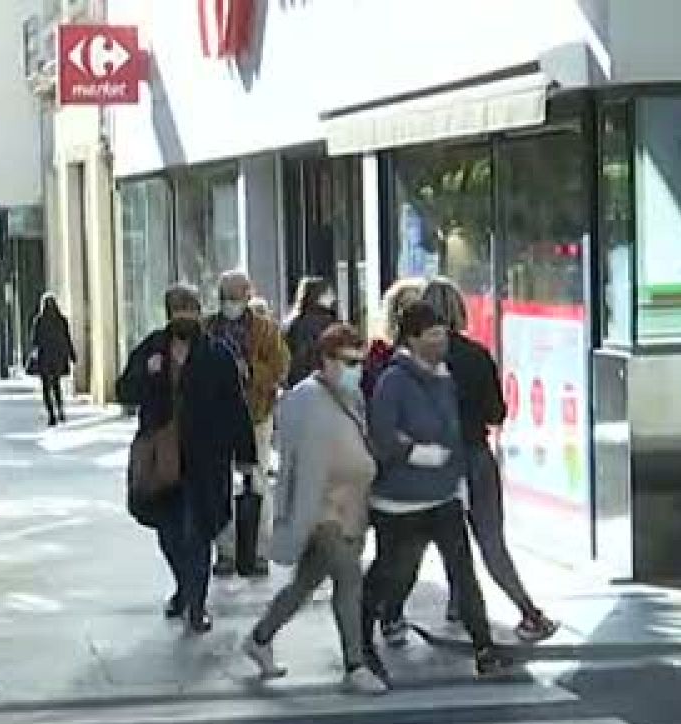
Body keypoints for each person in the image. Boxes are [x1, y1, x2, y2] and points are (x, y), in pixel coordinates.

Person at [362, 301, 512, 680]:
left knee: (463, 572)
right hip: (400, 501)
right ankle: (361, 639)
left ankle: (484, 647)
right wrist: (415, 452)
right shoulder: (393, 381)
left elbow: (453, 431)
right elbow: (381, 433)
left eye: (442, 333)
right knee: (391, 572)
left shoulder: (444, 378)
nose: (442, 340)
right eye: (432, 334)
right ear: (412, 338)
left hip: (443, 496)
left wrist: (455, 474)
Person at [243, 323, 387, 695]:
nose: (357, 368)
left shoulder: (348, 397)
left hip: (351, 507)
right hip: (324, 510)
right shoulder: (307, 400)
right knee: (348, 579)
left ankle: (260, 637)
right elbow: (301, 466)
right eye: (349, 361)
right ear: (326, 359)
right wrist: (298, 519)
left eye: (361, 361)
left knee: (305, 585)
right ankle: (355, 663)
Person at [420, 278, 561, 642]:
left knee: (430, 537)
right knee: (491, 540)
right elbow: (496, 413)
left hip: (432, 460)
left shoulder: (416, 362)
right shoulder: (477, 356)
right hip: (476, 454)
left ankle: (429, 608)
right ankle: (528, 612)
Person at [118, 283, 256, 633]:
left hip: (205, 461)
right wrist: (146, 374)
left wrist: (245, 455)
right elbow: (124, 391)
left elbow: (236, 406)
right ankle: (184, 588)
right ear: (168, 314)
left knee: (197, 534)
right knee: (169, 533)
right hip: (162, 461)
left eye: (189, 309)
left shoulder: (217, 354)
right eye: (177, 310)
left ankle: (196, 604)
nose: (184, 316)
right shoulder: (152, 349)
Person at [204, 270, 288, 578]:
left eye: (235, 297)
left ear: (248, 296)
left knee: (258, 480)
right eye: (226, 297)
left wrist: (250, 370)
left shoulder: (266, 330)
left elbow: (280, 367)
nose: (230, 303)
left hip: (255, 414)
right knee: (220, 484)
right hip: (217, 417)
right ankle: (226, 552)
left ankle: (259, 551)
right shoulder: (208, 328)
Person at [282, 276, 339, 388]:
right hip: (321, 383)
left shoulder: (291, 322)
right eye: (328, 292)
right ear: (319, 295)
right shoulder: (326, 323)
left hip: (297, 385)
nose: (333, 297)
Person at [30, 292, 75, 426]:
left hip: (45, 357)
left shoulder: (39, 320)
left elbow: (34, 340)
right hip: (58, 357)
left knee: (46, 388)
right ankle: (60, 409)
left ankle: (51, 415)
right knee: (56, 385)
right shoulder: (61, 320)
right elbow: (67, 338)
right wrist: (71, 354)